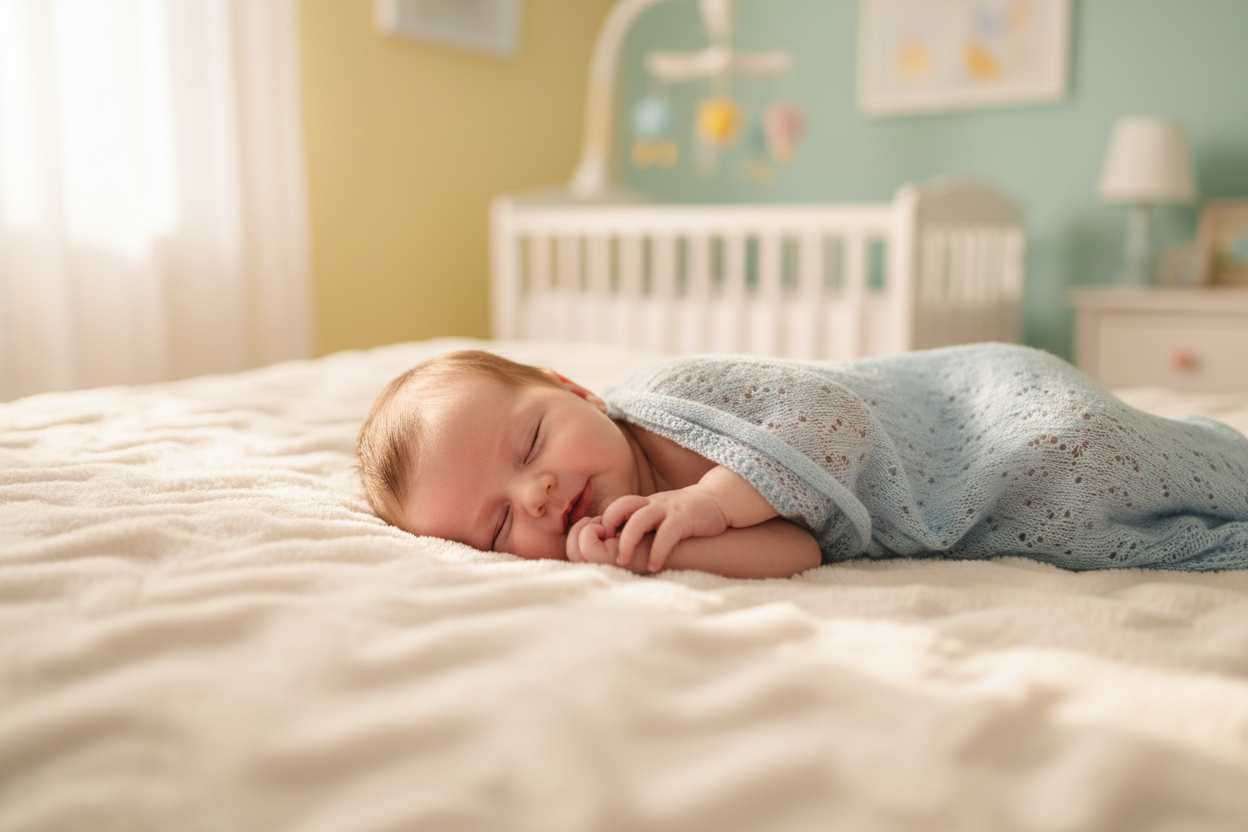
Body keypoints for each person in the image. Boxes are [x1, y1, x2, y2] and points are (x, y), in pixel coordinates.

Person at [357, 345, 1248, 578]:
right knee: (1108, 526)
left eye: (528, 445)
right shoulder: (620, 527)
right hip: (968, 504)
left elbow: (827, 415)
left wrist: (706, 500)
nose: (541, 494)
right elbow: (801, 549)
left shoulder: (666, 400)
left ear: (573, 388)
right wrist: (663, 550)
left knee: (1108, 462)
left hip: (980, 412)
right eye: (501, 523)